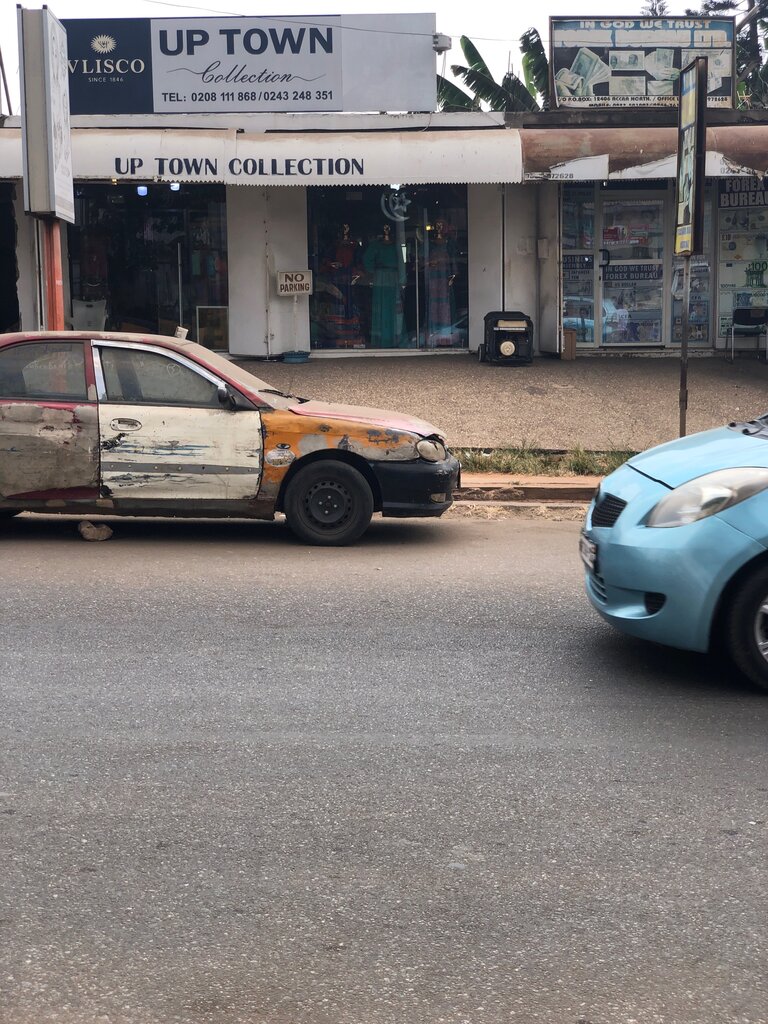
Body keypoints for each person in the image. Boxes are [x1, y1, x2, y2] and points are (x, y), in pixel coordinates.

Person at [363, 224, 406, 347]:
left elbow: (402, 263)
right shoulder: (375, 246)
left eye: (389, 227)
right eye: (384, 227)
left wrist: (403, 280)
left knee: (393, 310)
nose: (386, 229)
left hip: (393, 280)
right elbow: (367, 260)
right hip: (380, 280)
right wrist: (373, 272)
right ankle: (383, 340)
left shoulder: (396, 245)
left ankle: (395, 339)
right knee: (381, 308)